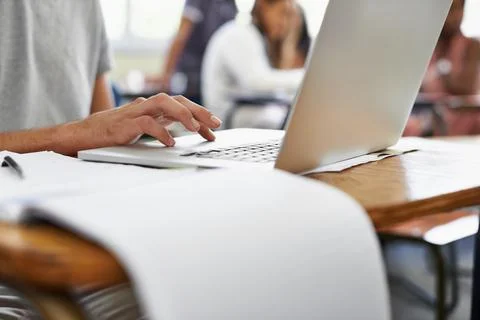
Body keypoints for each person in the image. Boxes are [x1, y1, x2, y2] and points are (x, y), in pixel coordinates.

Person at [201, 0, 306, 128]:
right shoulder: (239, 33)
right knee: (292, 122)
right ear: (263, 6)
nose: (284, 23)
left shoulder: (258, 37)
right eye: (282, 13)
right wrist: (307, 77)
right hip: (229, 114)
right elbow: (257, 82)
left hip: (248, 107)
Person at [404, 0, 480, 136]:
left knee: (418, 128)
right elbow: (414, 87)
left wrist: (441, 70)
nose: (454, 16)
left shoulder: (471, 45)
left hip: (460, 114)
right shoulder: (427, 45)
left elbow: (465, 87)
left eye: (458, 9)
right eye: (449, 10)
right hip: (426, 111)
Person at [150, 0, 238, 104]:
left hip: (213, 76)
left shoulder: (231, 4)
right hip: (190, 76)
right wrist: (165, 75)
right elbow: (181, 36)